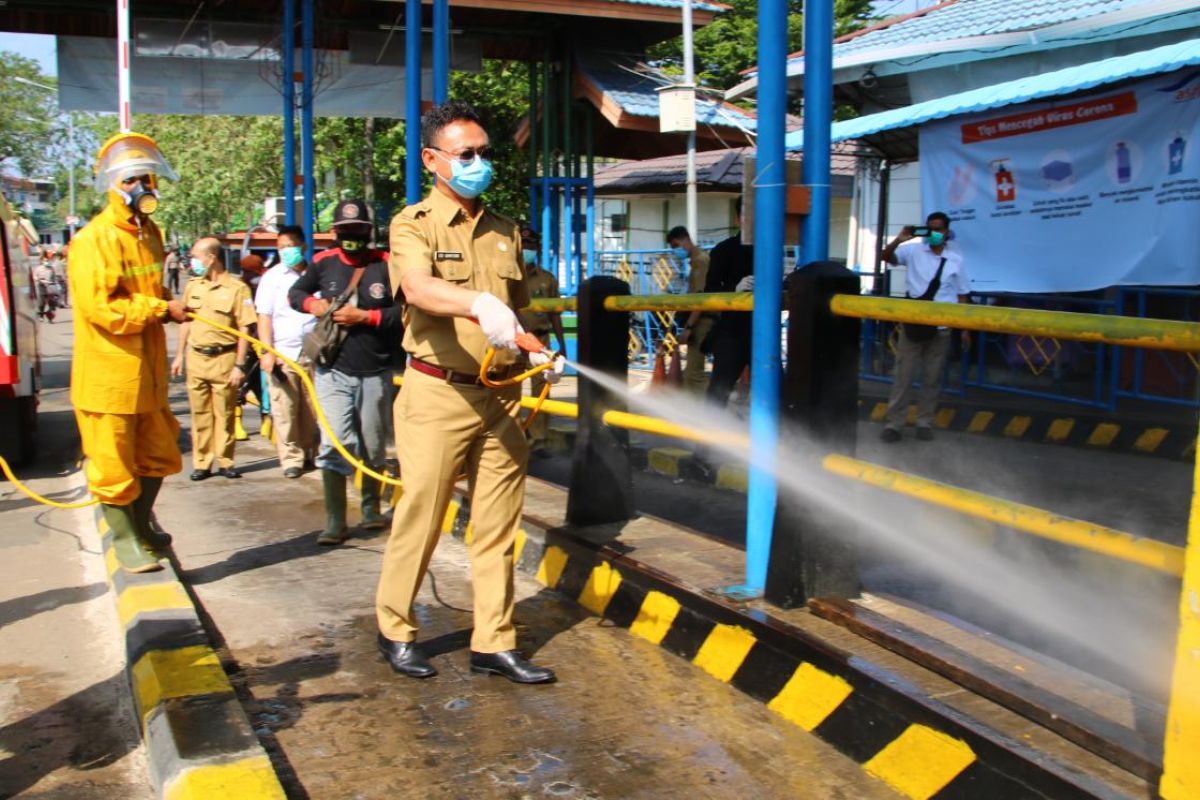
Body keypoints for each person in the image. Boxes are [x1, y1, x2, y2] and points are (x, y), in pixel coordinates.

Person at [376, 100, 560, 684]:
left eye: (485, 152)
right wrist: (477, 303)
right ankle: (396, 628)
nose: (480, 162)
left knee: (499, 523)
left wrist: (539, 351)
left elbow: (520, 313)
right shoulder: (413, 224)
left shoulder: (506, 230)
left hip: (502, 395)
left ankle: (494, 641)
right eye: (466, 154)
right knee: (423, 516)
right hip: (438, 396)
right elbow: (418, 287)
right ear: (433, 160)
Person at [69, 132, 187, 574]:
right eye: (136, 179)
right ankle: (126, 540)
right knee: (113, 465)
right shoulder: (93, 239)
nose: (146, 188)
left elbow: (147, 292)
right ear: (116, 184)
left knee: (159, 453)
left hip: (148, 374)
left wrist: (169, 310)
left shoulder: (149, 232)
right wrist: (160, 308)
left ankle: (140, 526)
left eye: (150, 179)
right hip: (109, 378)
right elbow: (102, 308)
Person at [289, 199, 403, 544]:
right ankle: (335, 520)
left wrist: (366, 317)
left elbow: (406, 310)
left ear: (370, 232)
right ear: (335, 233)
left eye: (358, 231)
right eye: (345, 232)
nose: (351, 238)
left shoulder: (386, 265)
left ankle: (370, 509)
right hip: (332, 371)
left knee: (372, 444)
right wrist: (314, 304)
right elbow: (296, 293)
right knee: (336, 443)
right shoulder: (323, 263)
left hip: (376, 371)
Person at [879, 211, 971, 443]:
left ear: (947, 232)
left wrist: (965, 329)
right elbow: (885, 256)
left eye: (939, 229)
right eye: (930, 229)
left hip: (941, 328)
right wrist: (899, 239)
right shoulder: (913, 251)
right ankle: (894, 424)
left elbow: (962, 295)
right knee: (904, 376)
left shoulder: (955, 260)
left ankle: (924, 421)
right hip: (914, 324)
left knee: (932, 377)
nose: (934, 233)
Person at [172, 238, 256, 479]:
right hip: (197, 357)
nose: (193, 262)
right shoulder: (193, 286)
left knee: (225, 412)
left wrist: (240, 364)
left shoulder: (237, 289)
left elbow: (244, 329)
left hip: (224, 358)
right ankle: (202, 462)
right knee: (199, 413)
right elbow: (185, 323)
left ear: (212, 258)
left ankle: (226, 460)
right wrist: (179, 356)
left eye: (197, 256)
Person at [256, 225, 318, 478]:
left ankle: (310, 452)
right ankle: (291, 458)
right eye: (280, 247)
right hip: (284, 353)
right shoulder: (272, 278)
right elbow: (264, 316)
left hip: (314, 352)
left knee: (311, 408)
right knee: (285, 409)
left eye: (289, 246)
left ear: (302, 246)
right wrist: (267, 351)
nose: (285, 251)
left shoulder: (315, 274)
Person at [516, 222, 567, 455]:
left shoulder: (547, 279)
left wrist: (561, 345)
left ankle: (539, 438)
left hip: (541, 341)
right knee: (510, 390)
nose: (527, 248)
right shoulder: (510, 277)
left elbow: (555, 315)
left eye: (531, 245)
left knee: (542, 391)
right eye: (524, 244)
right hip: (514, 341)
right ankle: (516, 433)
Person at [703, 197, 756, 409]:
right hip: (732, 332)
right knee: (719, 390)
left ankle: (781, 438)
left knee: (777, 390)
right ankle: (707, 441)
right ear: (737, 219)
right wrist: (735, 289)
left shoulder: (773, 249)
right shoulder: (723, 250)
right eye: (747, 215)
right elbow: (710, 292)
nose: (752, 221)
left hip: (763, 332)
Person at [667, 226, 713, 394]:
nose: (675, 251)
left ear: (685, 238)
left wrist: (689, 328)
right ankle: (688, 411)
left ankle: (719, 409)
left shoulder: (700, 261)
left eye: (676, 245)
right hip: (699, 319)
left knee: (694, 375)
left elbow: (700, 299)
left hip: (703, 320)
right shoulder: (695, 261)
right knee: (690, 375)